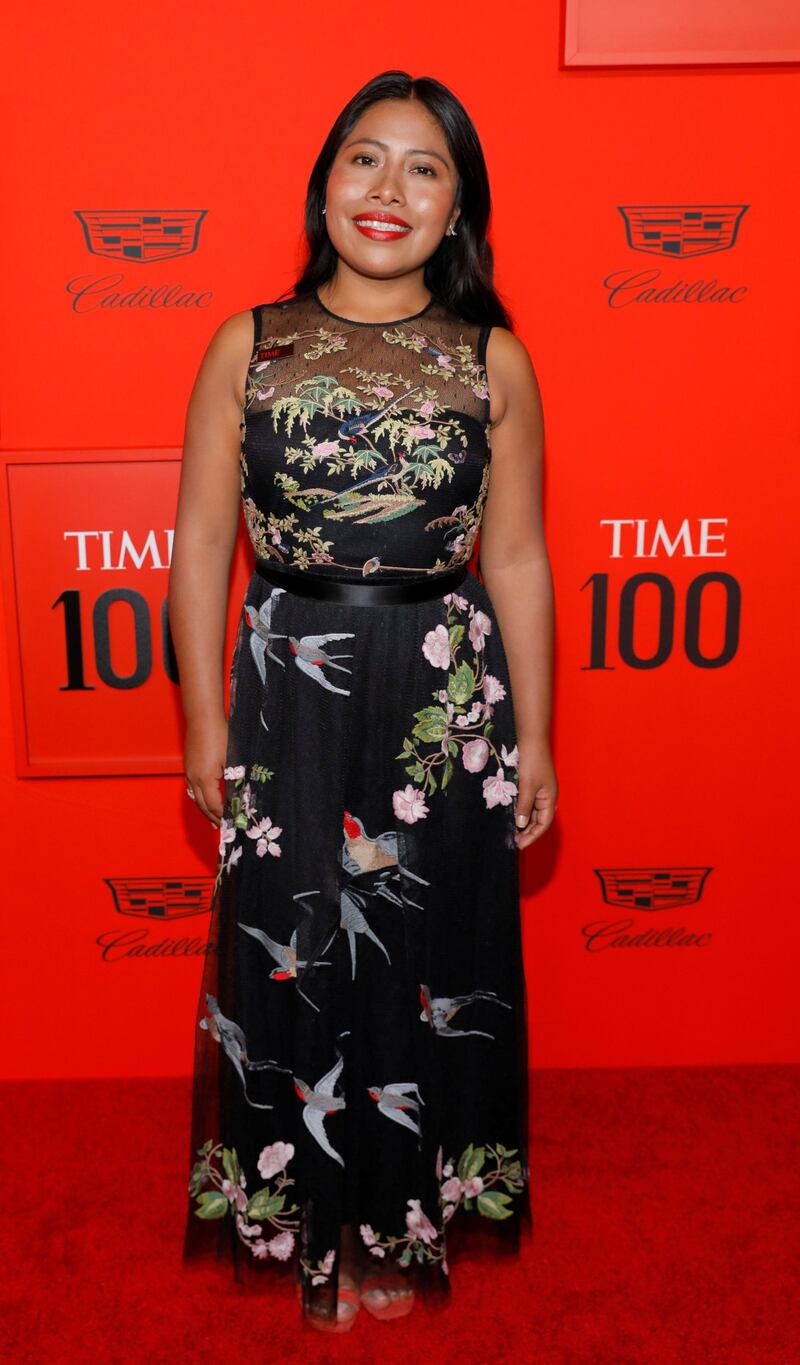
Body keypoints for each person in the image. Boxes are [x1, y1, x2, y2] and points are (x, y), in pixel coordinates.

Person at [170, 68, 557, 1333]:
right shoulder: (252, 343)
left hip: (439, 699)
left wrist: (536, 736)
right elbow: (196, 549)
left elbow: (512, 560)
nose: (387, 189)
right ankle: (307, 1220)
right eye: (363, 160)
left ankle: (395, 1217)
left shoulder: (492, 358)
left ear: (457, 210)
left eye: (423, 167)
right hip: (289, 689)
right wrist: (204, 727)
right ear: (321, 188)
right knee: (293, 964)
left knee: (413, 965)